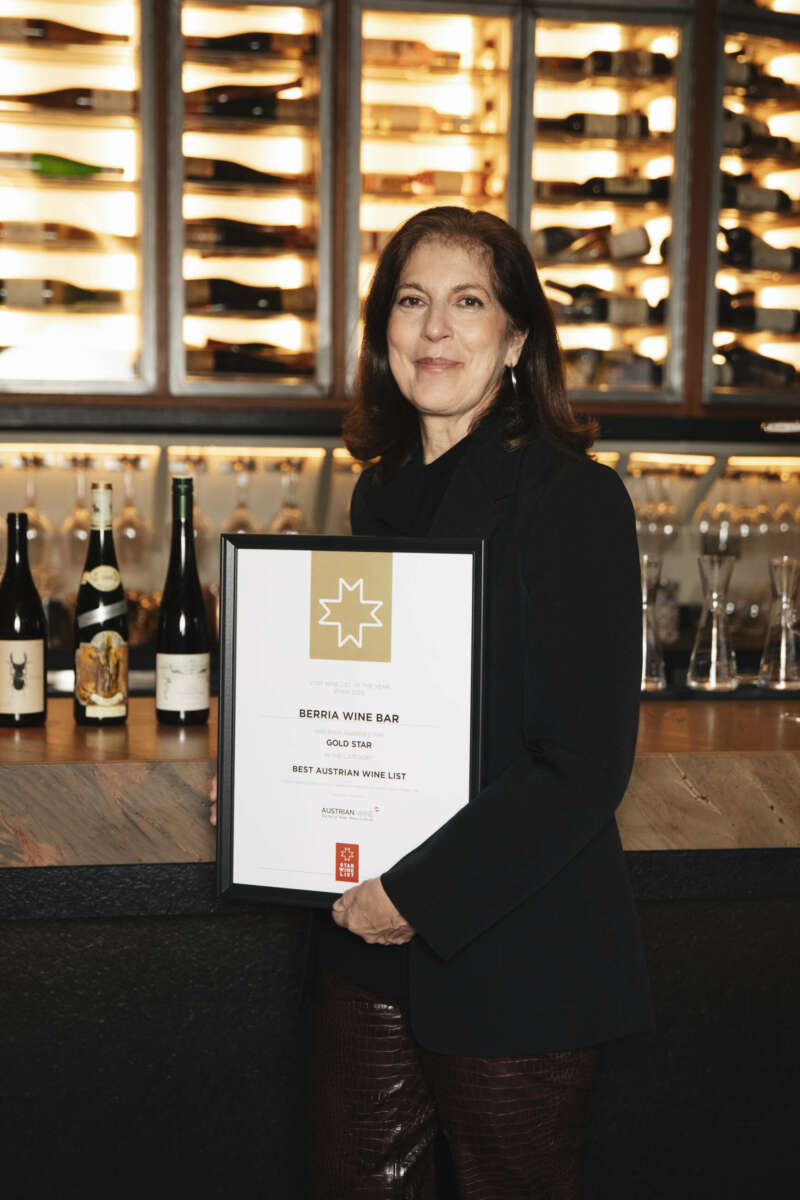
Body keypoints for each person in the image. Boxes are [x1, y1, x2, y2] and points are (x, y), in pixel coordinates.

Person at [211, 205, 650, 1198]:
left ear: (517, 337)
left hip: (514, 959)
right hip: (364, 958)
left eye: (468, 303)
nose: (436, 329)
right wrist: (273, 793)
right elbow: (363, 705)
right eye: (412, 302)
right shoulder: (381, 494)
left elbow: (581, 766)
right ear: (384, 333)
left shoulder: (573, 500)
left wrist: (418, 896)